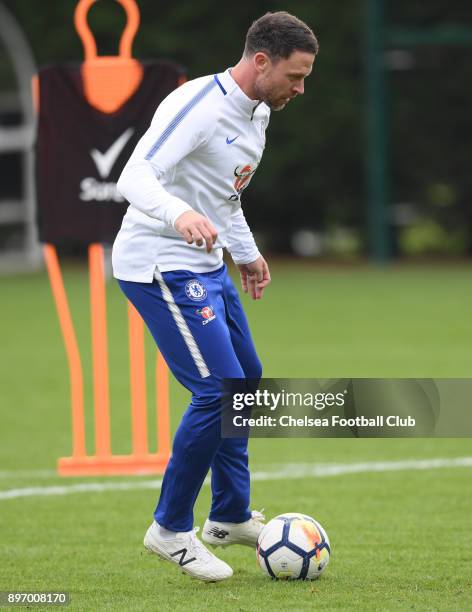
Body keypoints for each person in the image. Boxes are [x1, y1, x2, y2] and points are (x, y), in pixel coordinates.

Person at [112, 11, 318, 582]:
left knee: (245, 382)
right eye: (295, 76)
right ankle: (170, 529)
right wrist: (178, 214)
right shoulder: (198, 106)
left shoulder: (258, 112)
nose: (300, 89)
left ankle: (227, 515)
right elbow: (134, 176)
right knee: (217, 392)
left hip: (205, 265)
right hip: (159, 265)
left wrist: (245, 252)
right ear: (261, 62)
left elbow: (223, 198)